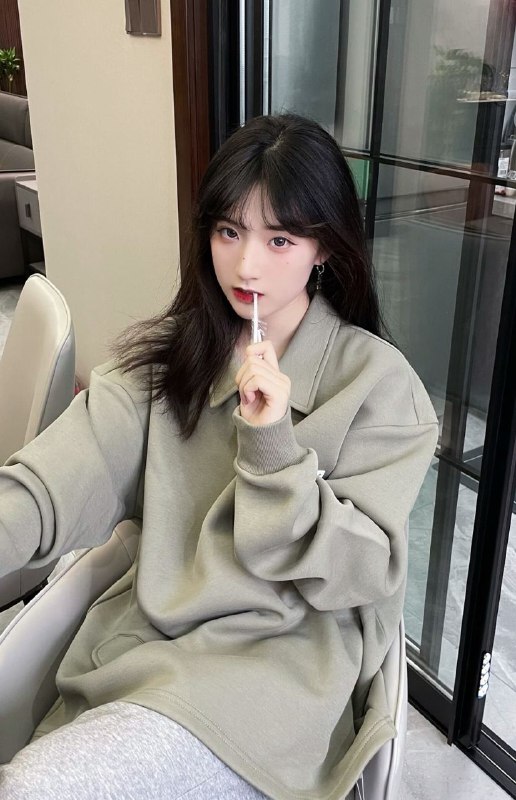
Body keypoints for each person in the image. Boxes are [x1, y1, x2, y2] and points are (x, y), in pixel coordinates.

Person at [0, 114, 438, 800]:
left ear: (324, 247)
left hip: (277, 675)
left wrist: (273, 449)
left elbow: (362, 573)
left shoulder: (380, 388)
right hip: (152, 649)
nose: (246, 264)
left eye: (280, 239)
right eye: (229, 231)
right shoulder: (168, 364)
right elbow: (50, 484)